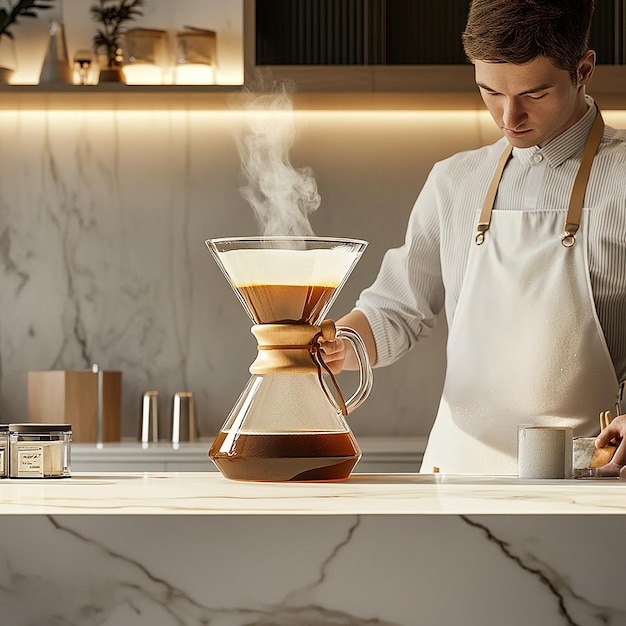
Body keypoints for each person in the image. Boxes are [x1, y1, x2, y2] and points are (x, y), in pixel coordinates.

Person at [321, 0, 626, 475]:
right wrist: (343, 344)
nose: (510, 117)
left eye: (534, 93)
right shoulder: (453, 181)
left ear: (583, 68)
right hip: (457, 478)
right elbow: (396, 310)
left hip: (589, 477)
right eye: (489, 91)